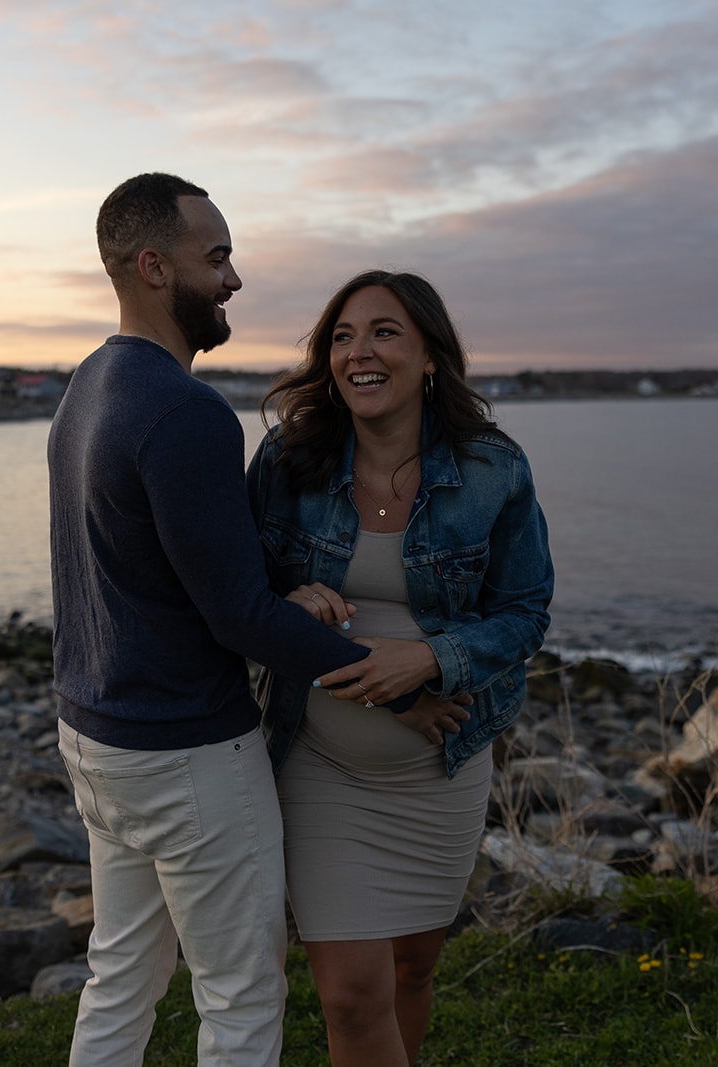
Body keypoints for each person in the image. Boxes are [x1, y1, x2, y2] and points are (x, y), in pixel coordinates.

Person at [48, 176, 462, 1066]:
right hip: (185, 754)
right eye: (219, 258)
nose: (234, 280)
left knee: (119, 975)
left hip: (95, 738)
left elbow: (176, 562)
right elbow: (234, 613)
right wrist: (397, 695)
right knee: (240, 996)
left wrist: (277, 591)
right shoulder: (185, 409)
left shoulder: (89, 385)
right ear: (155, 268)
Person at [246, 270, 555, 1066]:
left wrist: (429, 660)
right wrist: (291, 596)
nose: (360, 352)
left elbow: (525, 614)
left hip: (443, 767)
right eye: (343, 337)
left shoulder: (492, 469)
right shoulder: (290, 459)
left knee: (414, 967)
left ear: (428, 358)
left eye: (384, 332)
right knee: (351, 996)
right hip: (322, 763)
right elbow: (238, 592)